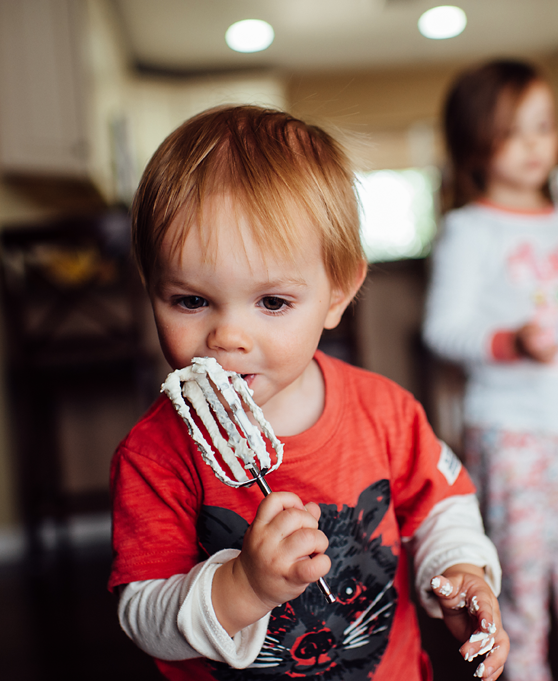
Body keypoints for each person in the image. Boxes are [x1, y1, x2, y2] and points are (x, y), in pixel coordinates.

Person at [109, 104, 510, 681]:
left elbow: (443, 508)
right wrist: (241, 585)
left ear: (338, 294)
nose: (228, 336)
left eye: (272, 302)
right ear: (151, 287)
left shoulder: (387, 413)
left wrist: (462, 570)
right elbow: (143, 616)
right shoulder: (155, 455)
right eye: (190, 300)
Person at [423, 60, 558, 681]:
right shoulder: (469, 231)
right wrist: (510, 341)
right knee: (520, 575)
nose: (534, 144)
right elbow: (443, 330)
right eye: (512, 131)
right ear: (474, 145)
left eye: (543, 126)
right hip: (510, 430)